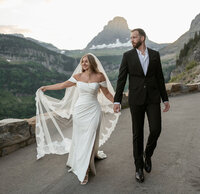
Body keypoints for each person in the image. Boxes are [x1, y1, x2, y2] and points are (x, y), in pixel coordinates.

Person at [36, 53, 120, 185]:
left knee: (91, 136)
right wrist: (47, 87)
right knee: (81, 138)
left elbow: (107, 93)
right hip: (80, 111)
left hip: (93, 110)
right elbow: (63, 85)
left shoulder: (99, 76)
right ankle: (83, 163)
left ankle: (85, 169)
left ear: (92, 62)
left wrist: (116, 103)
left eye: (86, 61)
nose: (84, 64)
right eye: (82, 62)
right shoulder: (78, 76)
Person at [113, 28, 170, 183]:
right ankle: (138, 167)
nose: (132, 39)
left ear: (142, 38)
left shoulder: (155, 55)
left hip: (152, 98)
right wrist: (117, 100)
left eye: (134, 37)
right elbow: (121, 79)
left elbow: (159, 78)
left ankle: (148, 154)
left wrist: (165, 99)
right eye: (131, 37)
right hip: (136, 99)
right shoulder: (128, 56)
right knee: (137, 134)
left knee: (156, 129)